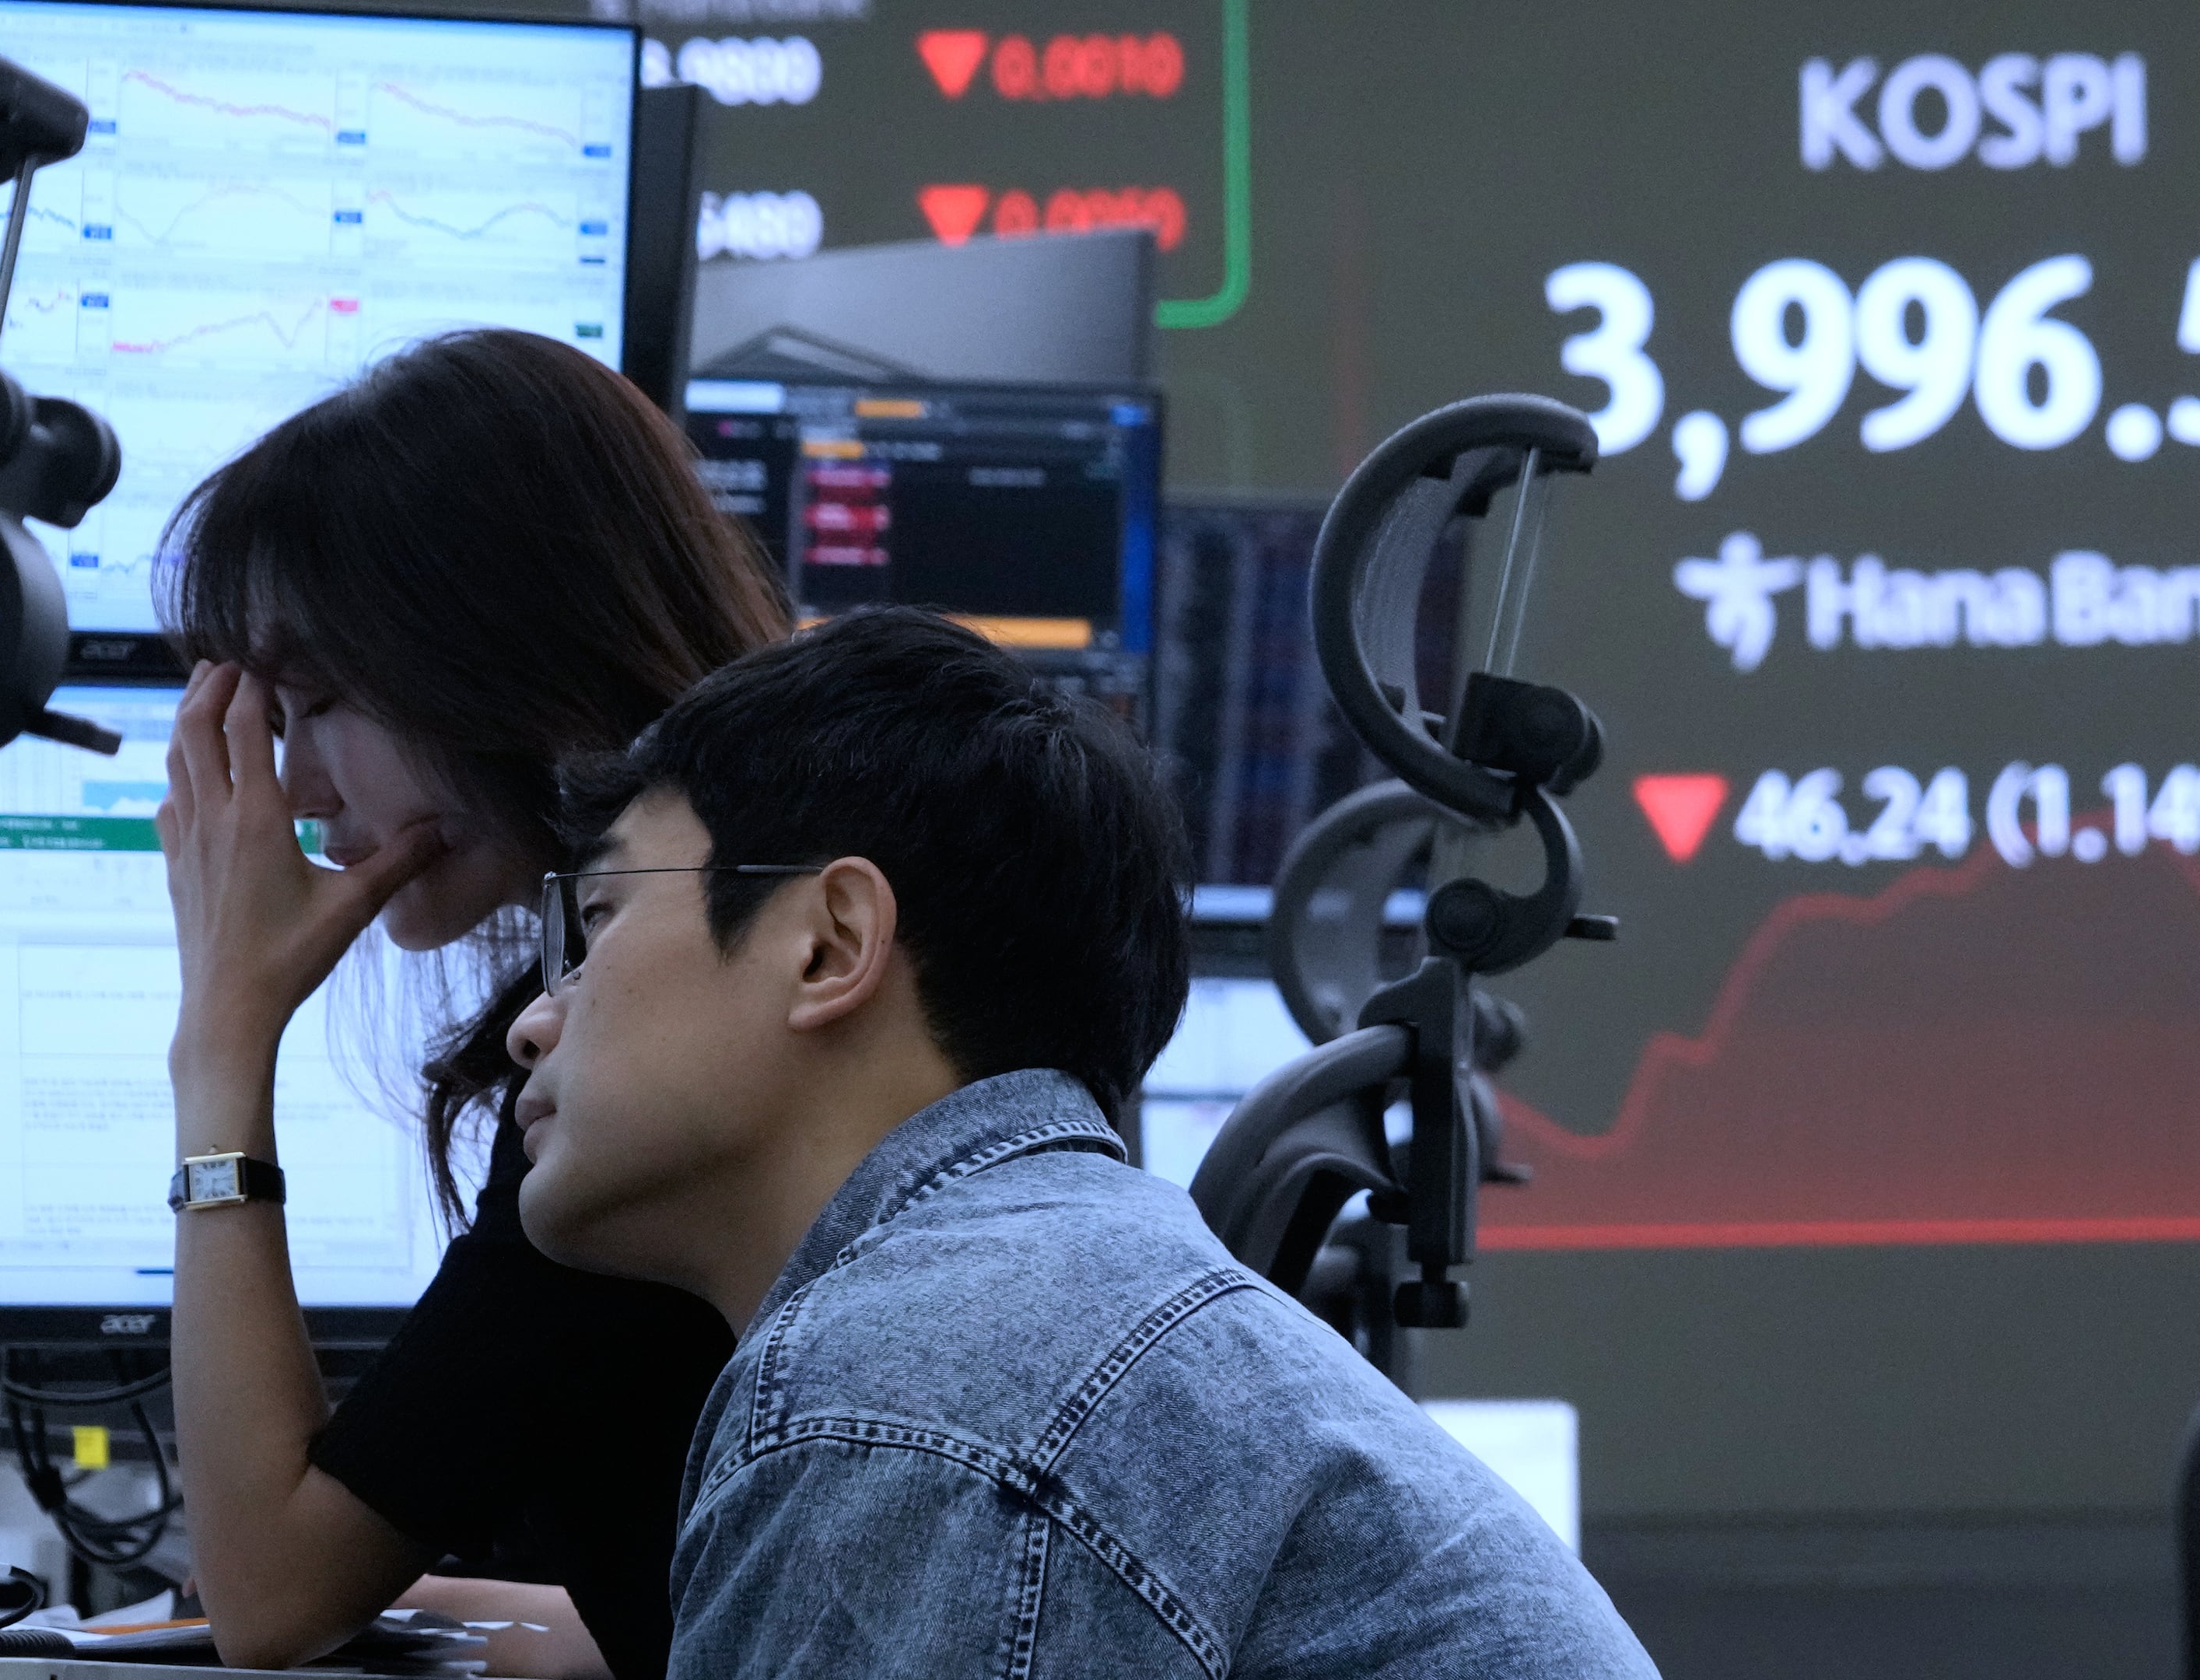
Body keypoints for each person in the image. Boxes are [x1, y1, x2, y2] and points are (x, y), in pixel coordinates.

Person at [503, 607, 1659, 1677]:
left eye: (597, 920)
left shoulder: (921, 1381)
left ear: (828, 943)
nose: (530, 1022)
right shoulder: (1037, 1306)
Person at [152, 329, 790, 1677]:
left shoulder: (657, 1060)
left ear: (494, 652)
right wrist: (454, 1612)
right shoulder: (764, 938)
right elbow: (696, 1588)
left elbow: (269, 1599)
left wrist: (222, 1039)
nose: (305, 793)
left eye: (319, 701)